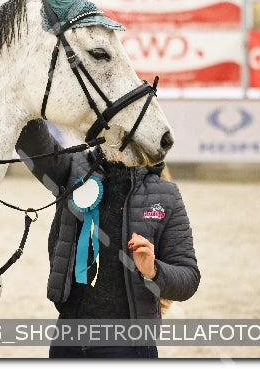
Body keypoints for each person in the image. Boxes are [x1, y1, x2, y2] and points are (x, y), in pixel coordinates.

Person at [15, 119, 200, 358]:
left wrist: (152, 270)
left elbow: (188, 279)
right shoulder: (72, 169)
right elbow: (31, 143)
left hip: (129, 344)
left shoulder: (166, 194)